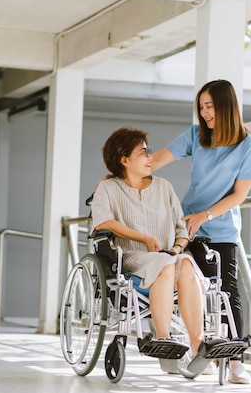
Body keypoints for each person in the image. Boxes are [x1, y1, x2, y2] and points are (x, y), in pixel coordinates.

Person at [152, 79, 251, 384]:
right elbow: (158, 159)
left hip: (222, 227)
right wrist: (121, 171)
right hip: (187, 225)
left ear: (226, 106)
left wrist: (207, 214)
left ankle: (236, 361)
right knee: (182, 280)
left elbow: (239, 194)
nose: (204, 113)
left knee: (227, 289)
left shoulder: (248, 146)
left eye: (209, 106)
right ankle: (197, 347)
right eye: (201, 107)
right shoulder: (196, 135)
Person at [91, 127, 210, 370]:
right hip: (132, 257)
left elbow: (181, 228)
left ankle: (198, 345)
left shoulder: (164, 187)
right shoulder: (108, 188)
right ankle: (163, 339)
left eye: (149, 151)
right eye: (143, 152)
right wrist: (143, 238)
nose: (150, 157)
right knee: (165, 264)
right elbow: (103, 222)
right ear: (124, 159)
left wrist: (177, 248)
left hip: (168, 255)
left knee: (185, 263)